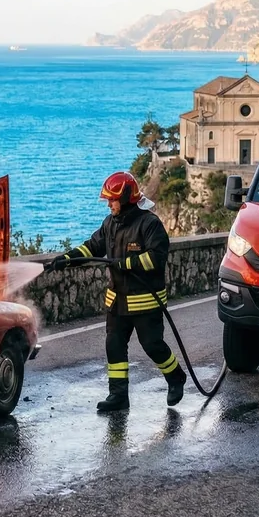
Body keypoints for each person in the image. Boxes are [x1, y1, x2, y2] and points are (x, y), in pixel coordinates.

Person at [51, 171, 187, 411]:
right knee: (113, 346)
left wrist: (127, 263)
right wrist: (67, 259)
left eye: (112, 200)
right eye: (107, 200)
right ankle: (118, 396)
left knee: (153, 346)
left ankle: (175, 376)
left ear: (125, 198)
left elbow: (157, 257)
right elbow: (92, 247)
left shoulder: (149, 223)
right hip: (118, 302)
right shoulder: (110, 224)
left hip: (146, 302)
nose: (109, 204)